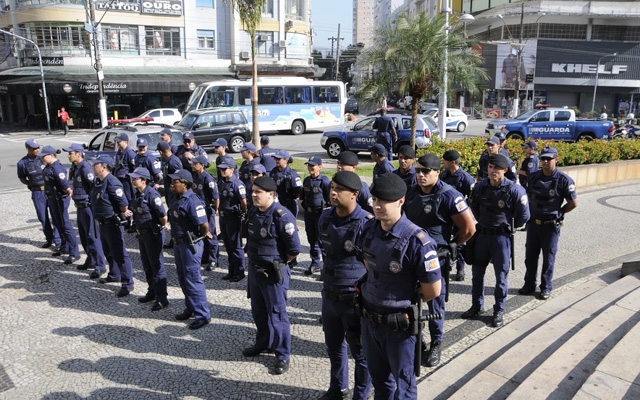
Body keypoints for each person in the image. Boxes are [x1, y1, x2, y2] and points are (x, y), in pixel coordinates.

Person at [358, 173, 442, 399]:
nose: (377, 205)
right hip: (370, 320)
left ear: (400, 201)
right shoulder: (368, 229)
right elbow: (369, 265)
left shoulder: (418, 241)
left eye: (383, 201)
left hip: (399, 327)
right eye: (375, 200)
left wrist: (402, 297)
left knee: (403, 387)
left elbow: (433, 290)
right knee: (380, 382)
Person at [403, 154, 476, 367]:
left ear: (437, 172)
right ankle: (417, 339)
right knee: (409, 299)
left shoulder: (449, 195)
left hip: (436, 259)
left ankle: (436, 342)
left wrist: (454, 244)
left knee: (435, 303)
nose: (420, 175)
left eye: (426, 171)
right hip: (411, 257)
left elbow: (469, 228)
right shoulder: (411, 193)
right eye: (418, 171)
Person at [317, 171, 373, 400]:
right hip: (330, 296)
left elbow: (372, 267)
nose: (333, 192)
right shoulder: (325, 218)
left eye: (339, 189)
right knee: (334, 347)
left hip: (354, 301)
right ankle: (337, 388)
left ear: (354, 195)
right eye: (332, 187)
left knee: (361, 353)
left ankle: (361, 395)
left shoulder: (367, 224)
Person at [462, 154, 530, 327]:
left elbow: (524, 216)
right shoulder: (480, 187)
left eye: (497, 169)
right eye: (490, 168)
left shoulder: (514, 190)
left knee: (501, 277)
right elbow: (473, 208)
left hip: (501, 238)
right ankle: (477, 306)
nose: (492, 171)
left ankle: (499, 310)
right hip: (482, 235)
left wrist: (508, 227)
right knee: (477, 274)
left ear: (505, 170)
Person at [243, 176, 301, 375]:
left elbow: (293, 249)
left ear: (271, 194)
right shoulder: (252, 211)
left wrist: (278, 262)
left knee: (277, 314)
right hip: (255, 270)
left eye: (258, 192)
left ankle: (282, 354)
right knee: (259, 311)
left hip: (273, 273)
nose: (253, 195)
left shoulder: (282, 216)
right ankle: (263, 343)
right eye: (252, 192)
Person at [520, 146, 577, 300]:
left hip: (550, 225)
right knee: (530, 256)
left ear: (556, 159)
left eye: (549, 159)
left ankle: (545, 287)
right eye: (543, 159)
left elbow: (573, 203)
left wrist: (560, 213)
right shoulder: (534, 177)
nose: (545, 162)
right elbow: (529, 195)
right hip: (533, 224)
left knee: (548, 257)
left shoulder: (564, 180)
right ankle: (529, 284)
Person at [167, 169, 212, 330]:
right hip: (178, 244)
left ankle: (202, 315)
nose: (172, 185)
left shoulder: (193, 201)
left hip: (190, 244)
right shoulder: (177, 198)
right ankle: (191, 307)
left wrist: (196, 237)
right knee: (183, 278)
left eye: (175, 182)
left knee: (193, 279)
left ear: (184, 184)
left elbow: (204, 226)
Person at [89, 154, 134, 297]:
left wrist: (121, 214)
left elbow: (123, 204)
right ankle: (114, 274)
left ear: (103, 166)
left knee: (120, 253)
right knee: (108, 251)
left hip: (112, 223)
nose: (93, 166)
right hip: (102, 223)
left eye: (95, 164)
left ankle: (127, 283)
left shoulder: (112, 182)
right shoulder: (99, 182)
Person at [126, 167, 169, 311]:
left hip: (152, 233)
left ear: (144, 180)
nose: (133, 180)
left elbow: (162, 215)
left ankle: (161, 298)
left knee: (156, 265)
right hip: (142, 234)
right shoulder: (138, 193)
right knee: (147, 265)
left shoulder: (152, 194)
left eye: (136, 178)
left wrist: (163, 226)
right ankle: (152, 291)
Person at [64, 143, 106, 275]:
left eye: (70, 153)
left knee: (92, 236)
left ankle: (100, 265)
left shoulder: (85, 168)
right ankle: (91, 259)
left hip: (88, 207)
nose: (68, 155)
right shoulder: (75, 167)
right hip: (79, 206)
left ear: (79, 153)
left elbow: (93, 187)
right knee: (84, 236)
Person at [40, 145, 80, 264]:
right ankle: (64, 247)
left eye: (44, 156)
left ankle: (74, 252)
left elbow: (65, 186)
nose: (42, 158)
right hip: (52, 198)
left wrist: (68, 193)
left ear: (51, 155)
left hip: (59, 199)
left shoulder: (57, 168)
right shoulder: (49, 167)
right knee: (58, 223)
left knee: (65, 225)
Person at [17, 139, 60, 249]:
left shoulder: (43, 158)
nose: (37, 150)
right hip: (37, 192)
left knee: (55, 214)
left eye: (38, 147)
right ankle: (49, 238)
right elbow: (22, 178)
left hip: (49, 189)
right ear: (28, 149)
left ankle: (58, 239)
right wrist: (31, 185)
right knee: (43, 216)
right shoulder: (22, 163)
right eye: (34, 148)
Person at [440, 149, 476, 281]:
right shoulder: (444, 176)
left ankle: (460, 269)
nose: (443, 163)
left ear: (452, 162)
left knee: (460, 243)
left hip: (459, 216)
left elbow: (473, 198)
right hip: (445, 215)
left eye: (445, 161)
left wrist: (468, 214)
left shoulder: (466, 178)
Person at [300, 156, 331, 276]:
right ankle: (315, 263)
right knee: (312, 239)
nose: (310, 168)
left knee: (322, 240)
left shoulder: (324, 181)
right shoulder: (307, 180)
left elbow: (329, 199)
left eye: (312, 165)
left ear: (320, 167)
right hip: (309, 213)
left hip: (320, 214)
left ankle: (326, 267)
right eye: (309, 165)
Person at [218, 160, 248, 282]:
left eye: (225, 169)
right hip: (223, 217)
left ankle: (240, 271)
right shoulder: (221, 183)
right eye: (221, 169)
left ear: (232, 169)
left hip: (233, 217)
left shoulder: (237, 184)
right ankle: (231, 271)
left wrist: (244, 215)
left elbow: (244, 202)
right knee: (228, 245)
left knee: (236, 246)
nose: (222, 171)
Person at [192, 155, 220, 272]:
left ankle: (214, 259)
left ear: (202, 165)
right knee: (202, 233)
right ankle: (205, 256)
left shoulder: (207, 179)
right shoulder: (195, 177)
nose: (193, 165)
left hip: (207, 210)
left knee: (210, 234)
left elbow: (215, 196)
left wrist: (215, 209)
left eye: (195, 163)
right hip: (199, 210)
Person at [270, 150, 302, 217]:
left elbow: (299, 191)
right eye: (276, 159)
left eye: (279, 159)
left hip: (289, 205)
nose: (276, 160)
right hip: (276, 204)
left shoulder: (292, 174)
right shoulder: (273, 172)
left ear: (286, 160)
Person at [113, 132, 136, 204]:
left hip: (126, 180)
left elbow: (134, 167)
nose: (118, 143)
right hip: (118, 179)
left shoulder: (130, 153)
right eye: (117, 141)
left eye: (119, 141)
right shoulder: (119, 152)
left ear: (125, 141)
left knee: (129, 199)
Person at [157, 141, 182, 207]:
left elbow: (180, 179)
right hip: (170, 192)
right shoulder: (169, 160)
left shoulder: (173, 162)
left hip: (174, 194)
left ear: (160, 152)